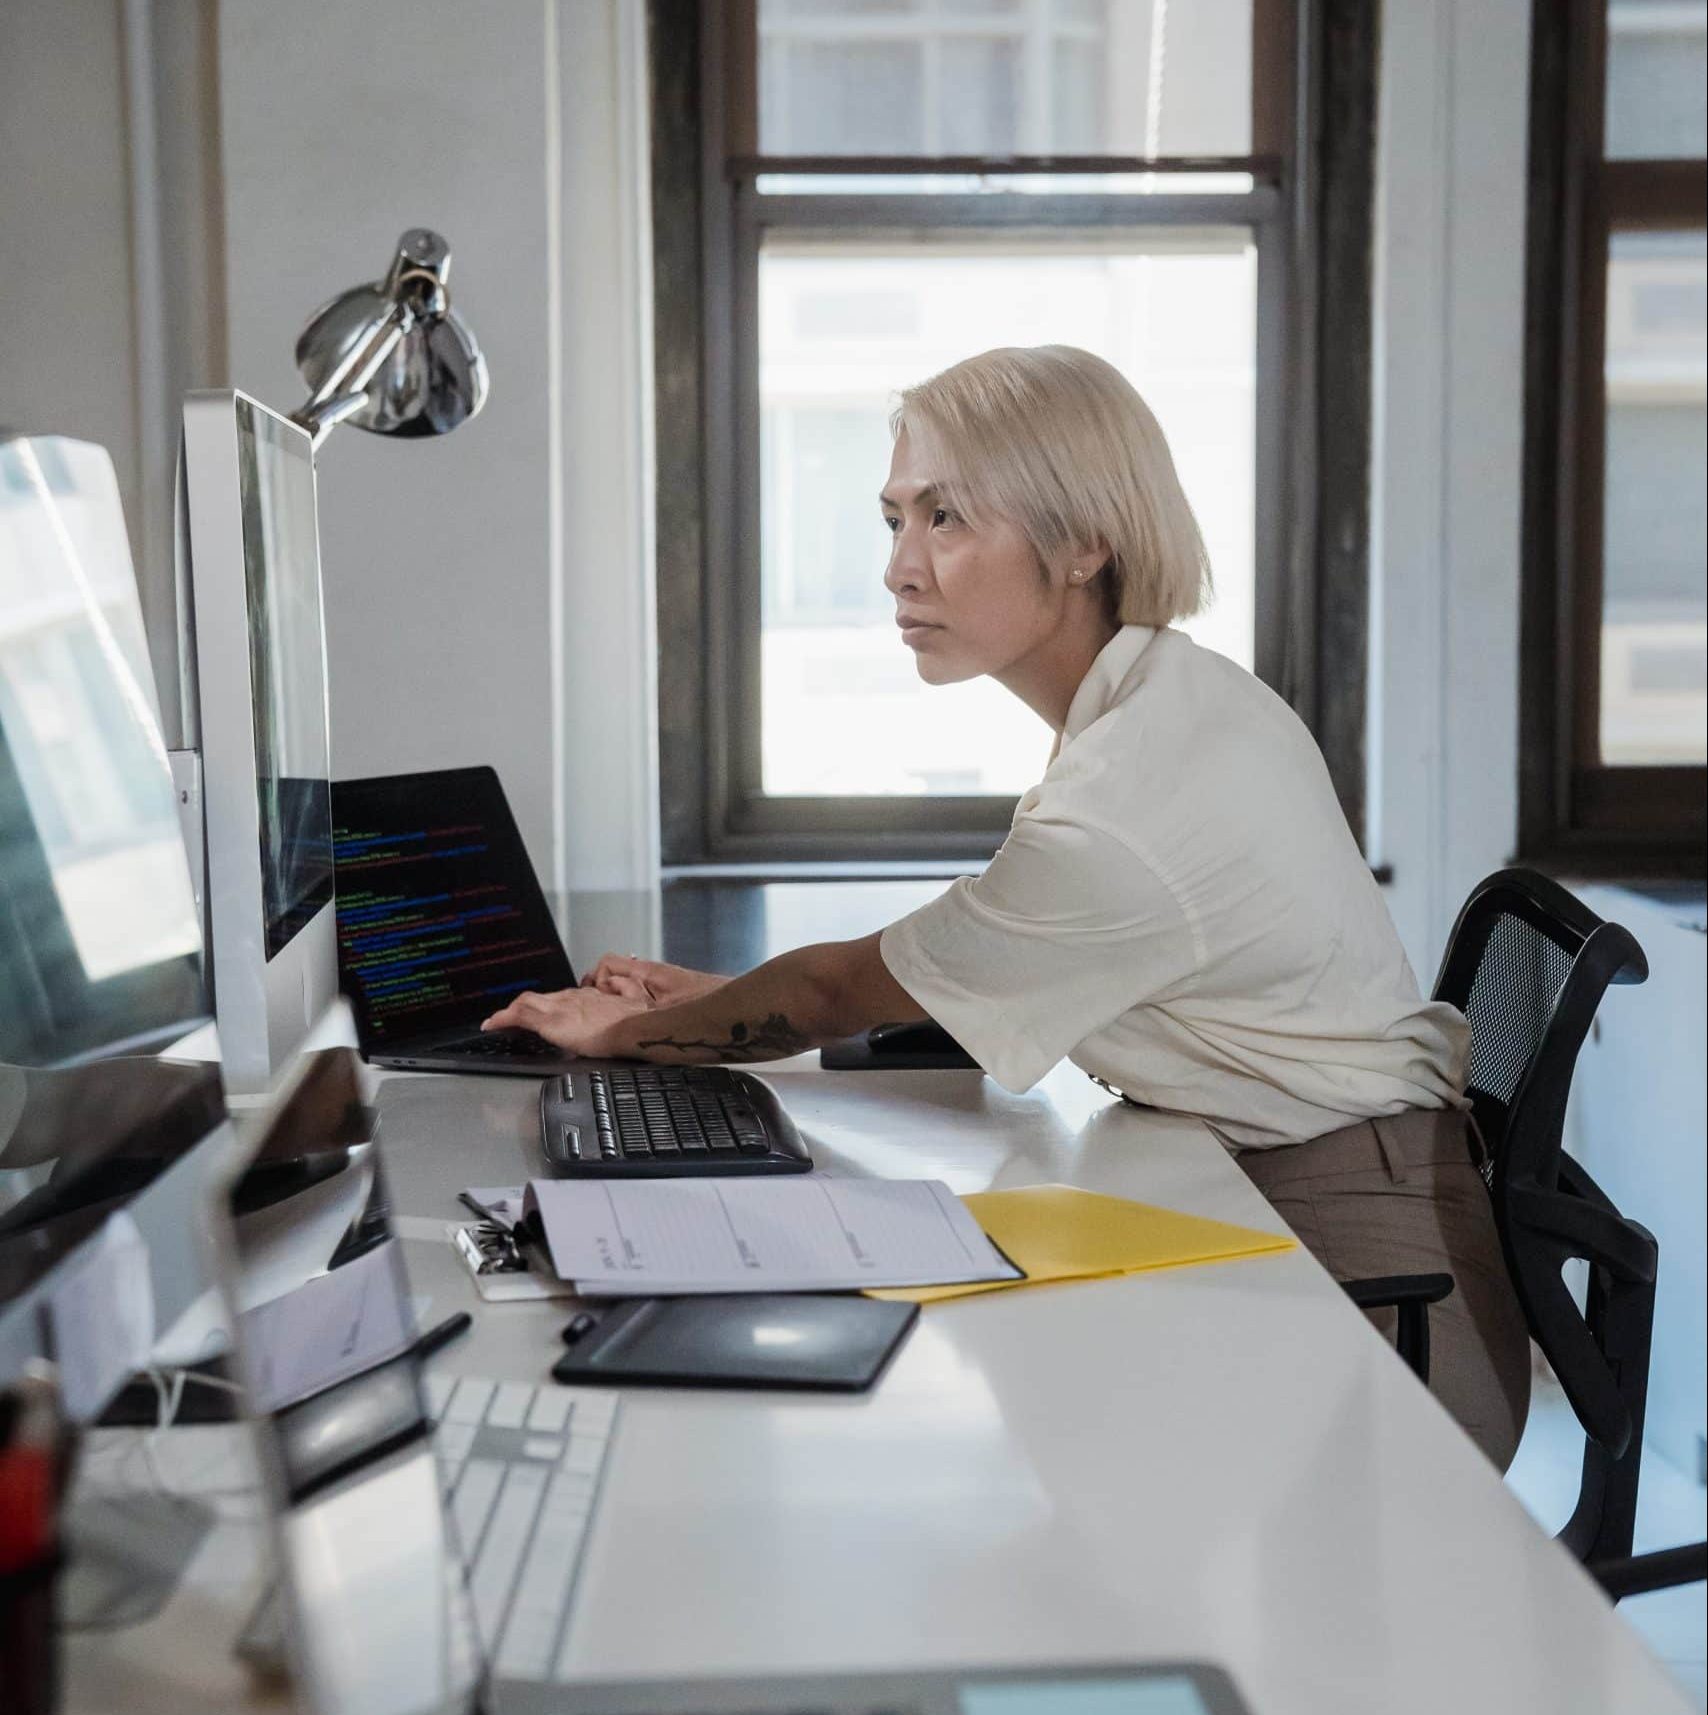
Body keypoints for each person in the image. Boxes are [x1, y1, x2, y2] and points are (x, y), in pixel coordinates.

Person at [483, 344, 1530, 1470]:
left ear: (1084, 542)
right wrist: (715, 1004)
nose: (900, 566)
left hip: (1383, 1299)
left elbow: (843, 987)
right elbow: (935, 968)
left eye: (947, 519)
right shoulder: (1153, 704)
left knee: (950, 1425)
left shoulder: (1128, 798)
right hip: (1289, 1191)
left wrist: (628, 1035)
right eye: (895, 518)